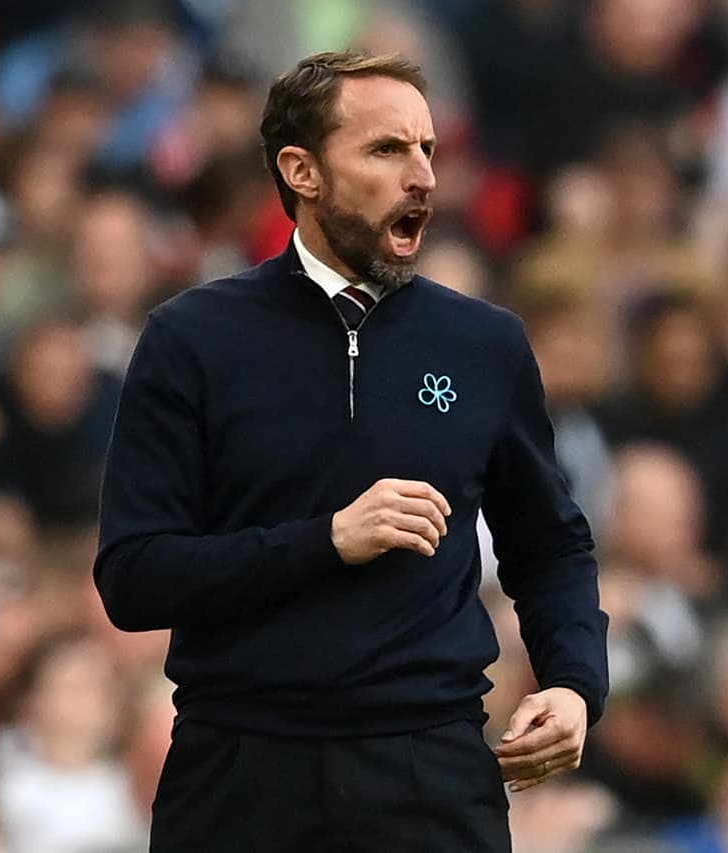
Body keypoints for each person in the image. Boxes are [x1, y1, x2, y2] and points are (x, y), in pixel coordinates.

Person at [92, 51, 609, 852]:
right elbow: (135, 576)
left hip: (430, 774)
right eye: (386, 150)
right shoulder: (190, 339)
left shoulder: (485, 343)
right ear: (302, 171)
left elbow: (552, 544)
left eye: (428, 150)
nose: (424, 177)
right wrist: (327, 540)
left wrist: (574, 683)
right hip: (239, 774)